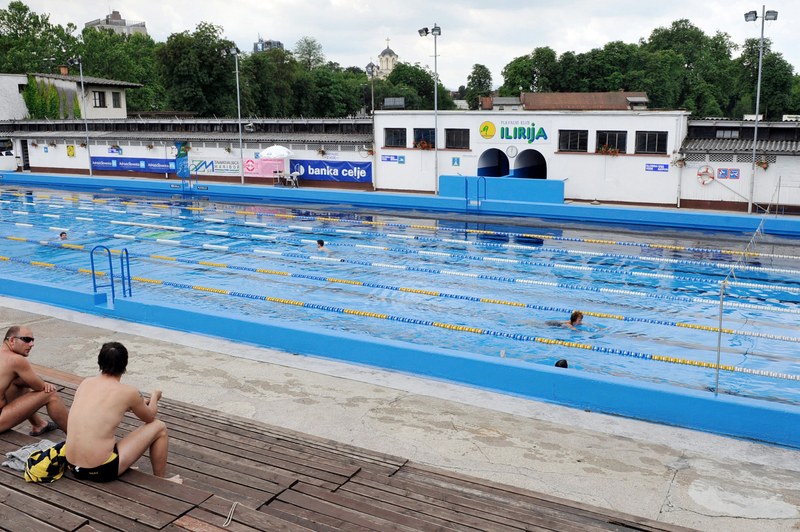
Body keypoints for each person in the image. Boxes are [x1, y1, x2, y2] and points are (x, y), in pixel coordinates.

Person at [64, 342, 181, 483]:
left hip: (72, 465)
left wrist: (131, 405)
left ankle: (117, 462)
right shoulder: (129, 392)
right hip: (99, 470)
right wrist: (155, 396)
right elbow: (150, 417)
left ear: (99, 362)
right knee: (159, 427)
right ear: (124, 365)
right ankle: (162, 481)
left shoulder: (86, 383)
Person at [0, 325, 69, 436]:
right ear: (12, 340)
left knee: (17, 381)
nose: (32, 344)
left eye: (32, 340)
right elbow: (39, 387)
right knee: (50, 394)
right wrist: (44, 383)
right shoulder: (16, 360)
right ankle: (77, 438)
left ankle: (38, 424)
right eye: (27, 340)